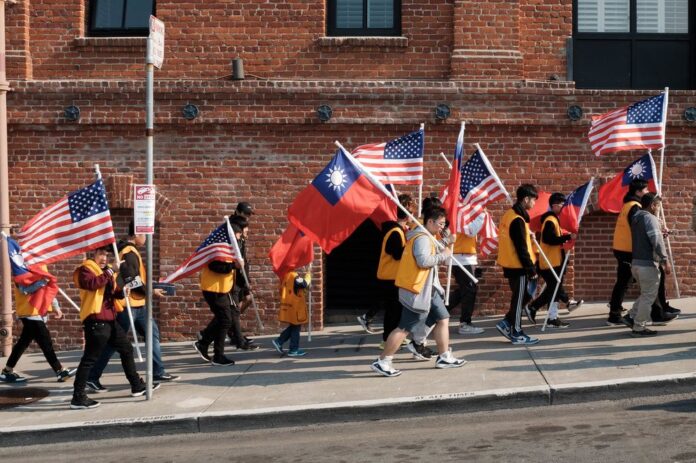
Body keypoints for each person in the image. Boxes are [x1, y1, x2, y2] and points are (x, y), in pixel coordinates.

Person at [371, 207, 466, 377]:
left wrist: (445, 243)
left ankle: (444, 356)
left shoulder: (426, 236)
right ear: (430, 222)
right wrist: (444, 254)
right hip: (418, 289)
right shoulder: (422, 238)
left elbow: (432, 252)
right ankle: (383, 361)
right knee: (404, 327)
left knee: (443, 317)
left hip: (428, 288)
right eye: (440, 224)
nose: (442, 228)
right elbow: (424, 261)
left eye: (444, 224)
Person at [86, 222, 178, 393]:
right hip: (129, 306)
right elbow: (131, 279)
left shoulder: (129, 251)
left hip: (138, 304)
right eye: (144, 235)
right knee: (115, 343)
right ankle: (92, 377)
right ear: (136, 234)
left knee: (153, 334)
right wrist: (150, 291)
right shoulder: (129, 252)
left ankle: (158, 371)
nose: (146, 238)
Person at [71, 246, 157, 409]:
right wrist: (111, 271)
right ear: (93, 254)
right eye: (101, 254)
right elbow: (93, 284)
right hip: (96, 320)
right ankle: (78, 396)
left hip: (110, 320)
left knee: (126, 349)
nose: (104, 258)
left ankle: (136, 385)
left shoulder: (105, 271)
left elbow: (112, 292)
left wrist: (123, 290)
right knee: (89, 359)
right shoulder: (86, 269)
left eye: (106, 255)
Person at [0, 265, 75, 383]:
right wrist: (41, 283)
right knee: (46, 343)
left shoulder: (41, 266)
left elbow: (48, 289)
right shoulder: (20, 269)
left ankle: (7, 371)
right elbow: (23, 289)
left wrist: (56, 307)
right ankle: (60, 371)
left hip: (38, 313)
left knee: (22, 344)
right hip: (29, 312)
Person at [357, 194, 414, 338]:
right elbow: (396, 254)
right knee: (393, 310)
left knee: (392, 309)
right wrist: (411, 244)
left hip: (390, 276)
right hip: (391, 277)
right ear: (407, 215)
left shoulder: (396, 230)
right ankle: (388, 339)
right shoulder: (395, 232)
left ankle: (391, 337)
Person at [525, 193, 582, 328]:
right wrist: (567, 237)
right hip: (550, 261)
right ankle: (562, 306)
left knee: (553, 289)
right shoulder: (550, 220)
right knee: (554, 288)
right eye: (562, 204)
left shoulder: (554, 219)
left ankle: (550, 315)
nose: (564, 207)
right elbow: (548, 240)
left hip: (554, 260)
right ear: (555, 205)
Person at [193, 221, 245, 366]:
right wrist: (232, 266)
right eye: (238, 234)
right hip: (213, 288)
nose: (240, 237)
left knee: (223, 318)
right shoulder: (217, 248)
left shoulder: (229, 248)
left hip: (223, 288)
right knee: (226, 320)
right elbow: (215, 266)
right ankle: (218, 355)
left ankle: (204, 342)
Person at [495, 184, 540, 345]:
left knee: (522, 298)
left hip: (511, 264)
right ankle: (517, 332)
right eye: (533, 200)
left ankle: (506, 323)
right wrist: (531, 269)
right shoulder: (517, 219)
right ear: (525, 199)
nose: (534, 204)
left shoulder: (510, 215)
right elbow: (521, 248)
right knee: (519, 299)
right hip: (518, 266)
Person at [622, 193, 671, 336]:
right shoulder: (650, 218)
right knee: (649, 296)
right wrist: (665, 260)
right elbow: (656, 240)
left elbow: (647, 237)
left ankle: (631, 316)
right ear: (653, 205)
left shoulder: (636, 217)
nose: (658, 209)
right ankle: (639, 327)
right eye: (658, 206)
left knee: (646, 294)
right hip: (647, 264)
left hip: (636, 263)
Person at [606, 179, 648, 325]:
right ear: (638, 192)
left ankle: (615, 307)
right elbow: (637, 229)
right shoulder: (635, 207)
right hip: (627, 250)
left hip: (621, 248)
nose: (647, 192)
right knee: (623, 282)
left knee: (624, 281)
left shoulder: (628, 204)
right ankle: (614, 315)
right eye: (645, 190)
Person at [447, 210, 486, 335]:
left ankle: (436, 314)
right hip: (460, 258)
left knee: (465, 290)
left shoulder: (463, 213)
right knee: (469, 290)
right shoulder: (458, 213)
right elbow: (470, 231)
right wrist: (481, 216)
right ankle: (464, 323)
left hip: (463, 257)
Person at [226, 215, 258, 350]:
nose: (246, 235)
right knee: (231, 312)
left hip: (241, 280)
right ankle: (237, 338)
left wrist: (247, 281)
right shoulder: (234, 242)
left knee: (237, 308)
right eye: (244, 232)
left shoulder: (241, 241)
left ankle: (234, 333)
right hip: (233, 282)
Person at [271, 269, 311, 357]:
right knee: (296, 327)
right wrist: (308, 276)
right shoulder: (294, 276)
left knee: (294, 326)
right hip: (295, 307)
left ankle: (279, 341)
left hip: (289, 306)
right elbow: (303, 284)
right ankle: (293, 349)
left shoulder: (285, 275)